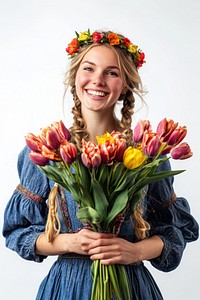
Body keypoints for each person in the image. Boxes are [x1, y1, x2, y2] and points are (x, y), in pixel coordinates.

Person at [3, 29, 199, 300]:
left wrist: (135, 251)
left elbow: (175, 232)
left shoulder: (147, 153)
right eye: (89, 68)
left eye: (112, 72)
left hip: (131, 288)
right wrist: (68, 242)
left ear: (126, 84)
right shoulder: (47, 150)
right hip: (68, 287)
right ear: (75, 76)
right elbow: (16, 232)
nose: (98, 80)